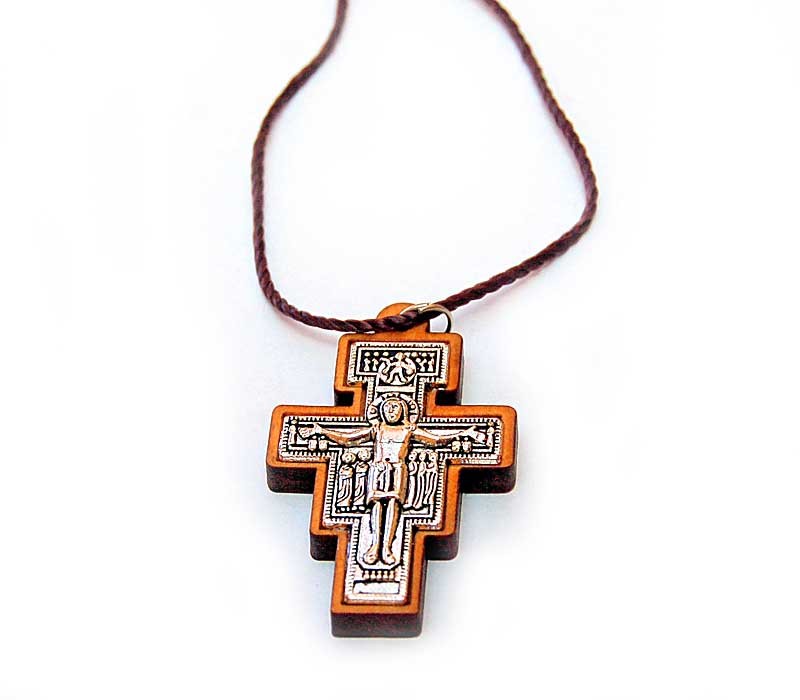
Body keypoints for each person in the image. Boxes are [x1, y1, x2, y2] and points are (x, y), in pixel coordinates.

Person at [310, 397, 483, 566]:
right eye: (387, 407)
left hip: (397, 470)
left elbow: (436, 440)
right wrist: (322, 431)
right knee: (376, 505)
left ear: (403, 411)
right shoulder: (377, 428)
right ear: (381, 411)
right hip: (378, 470)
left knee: (393, 504)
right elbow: (348, 439)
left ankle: (387, 547)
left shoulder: (408, 429)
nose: (391, 411)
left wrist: (463, 433)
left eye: (395, 407)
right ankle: (374, 545)